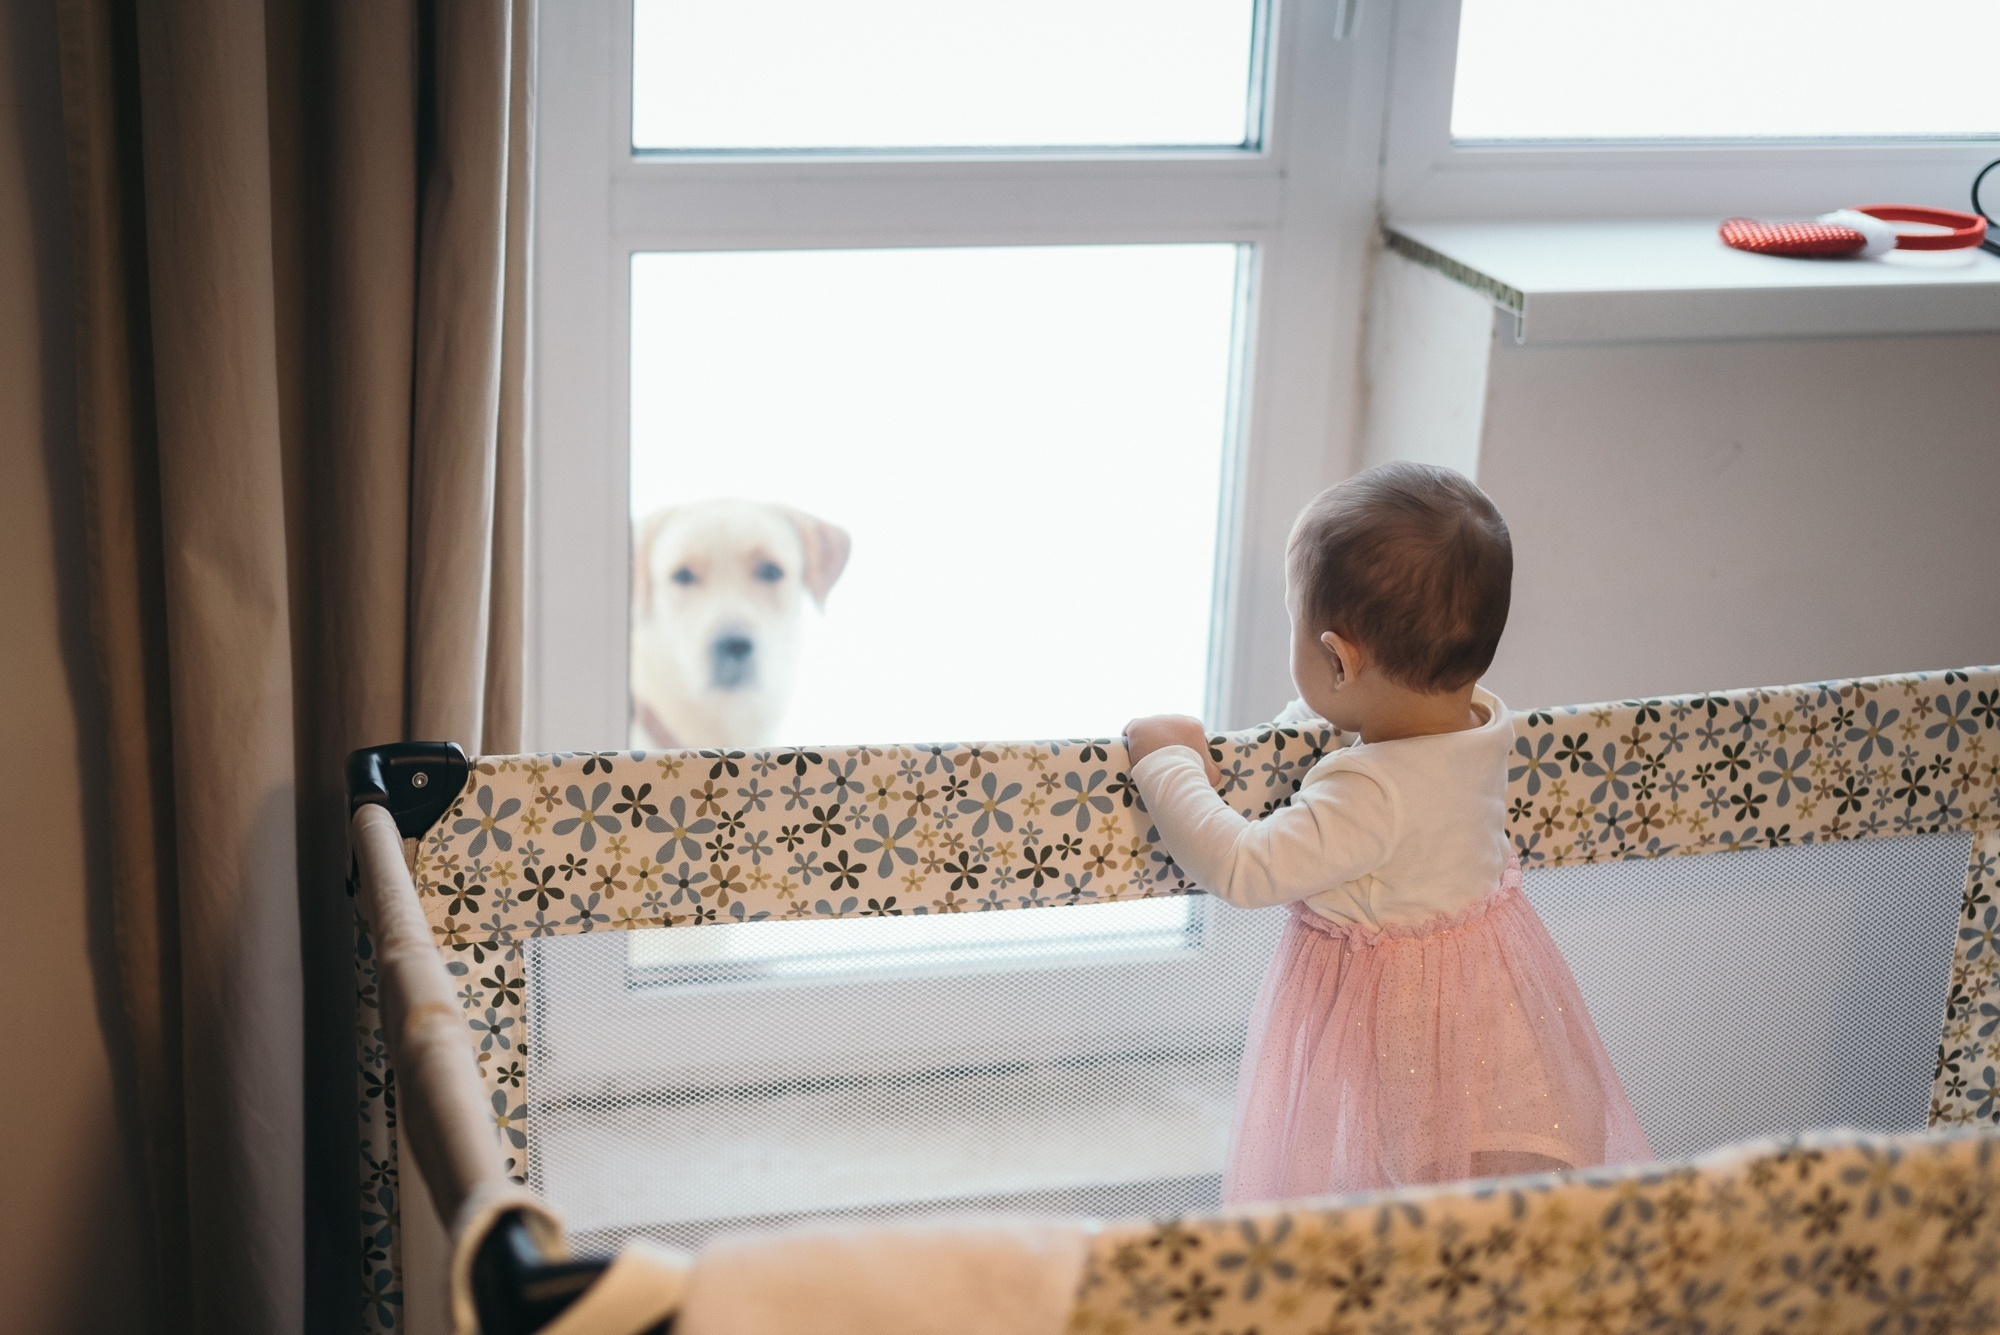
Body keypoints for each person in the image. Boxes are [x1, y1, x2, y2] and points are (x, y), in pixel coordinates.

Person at [1124, 462, 1650, 1202]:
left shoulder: (1368, 793)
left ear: (1340, 659)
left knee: (1402, 1236)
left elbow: (1242, 867)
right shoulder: (1478, 726)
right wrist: (1309, 723)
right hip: (1498, 1059)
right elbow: (1363, 724)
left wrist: (1166, 761)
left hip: (1418, 1082)